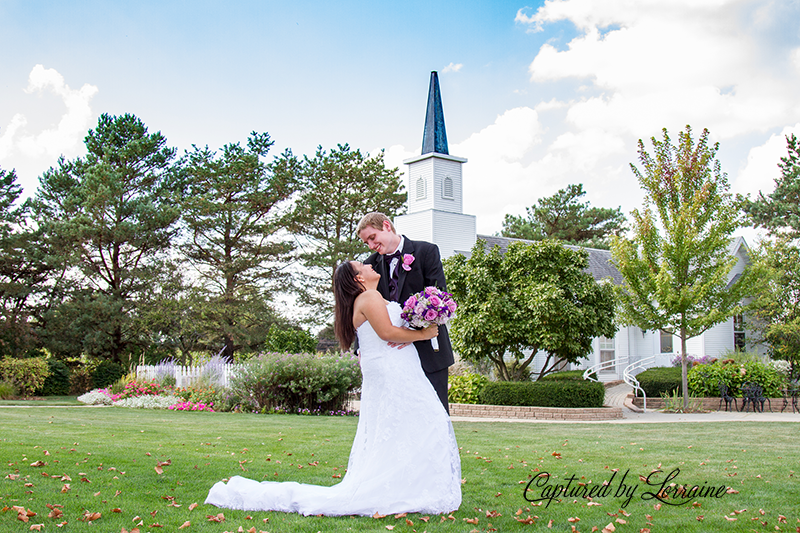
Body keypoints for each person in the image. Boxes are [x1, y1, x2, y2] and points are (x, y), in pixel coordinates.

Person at [204, 261, 462, 516]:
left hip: (398, 366)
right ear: (358, 279)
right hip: (391, 369)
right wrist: (423, 335)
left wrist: (422, 318)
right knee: (428, 420)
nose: (369, 265)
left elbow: (391, 331)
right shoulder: (369, 297)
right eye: (363, 265)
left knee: (408, 425)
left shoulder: (375, 297)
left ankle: (410, 487)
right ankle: (403, 489)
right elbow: (386, 333)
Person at [357, 212, 454, 413]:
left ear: (386, 226)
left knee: (435, 414)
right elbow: (362, 308)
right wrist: (361, 347)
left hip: (430, 350)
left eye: (372, 238)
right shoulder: (370, 264)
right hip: (393, 355)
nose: (371, 245)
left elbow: (440, 297)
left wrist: (413, 333)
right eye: (366, 242)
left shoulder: (426, 251)